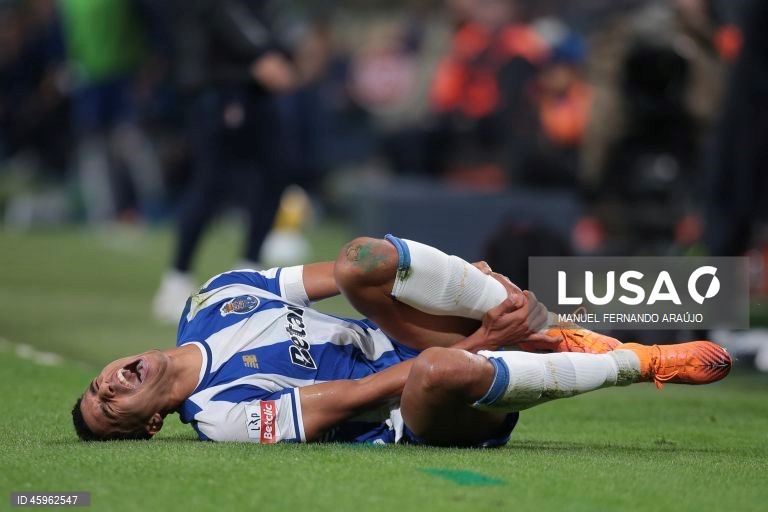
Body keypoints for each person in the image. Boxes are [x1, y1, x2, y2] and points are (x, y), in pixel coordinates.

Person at [73, 235, 731, 445]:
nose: (105, 387)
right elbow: (356, 395)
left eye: (94, 386)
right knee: (435, 371)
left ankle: (533, 322)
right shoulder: (218, 417)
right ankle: (639, 361)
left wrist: (465, 291)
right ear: (149, 423)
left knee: (362, 258)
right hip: (415, 404)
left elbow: (355, 275)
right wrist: (477, 343)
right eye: (108, 409)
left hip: (408, 334)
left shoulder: (212, 298)